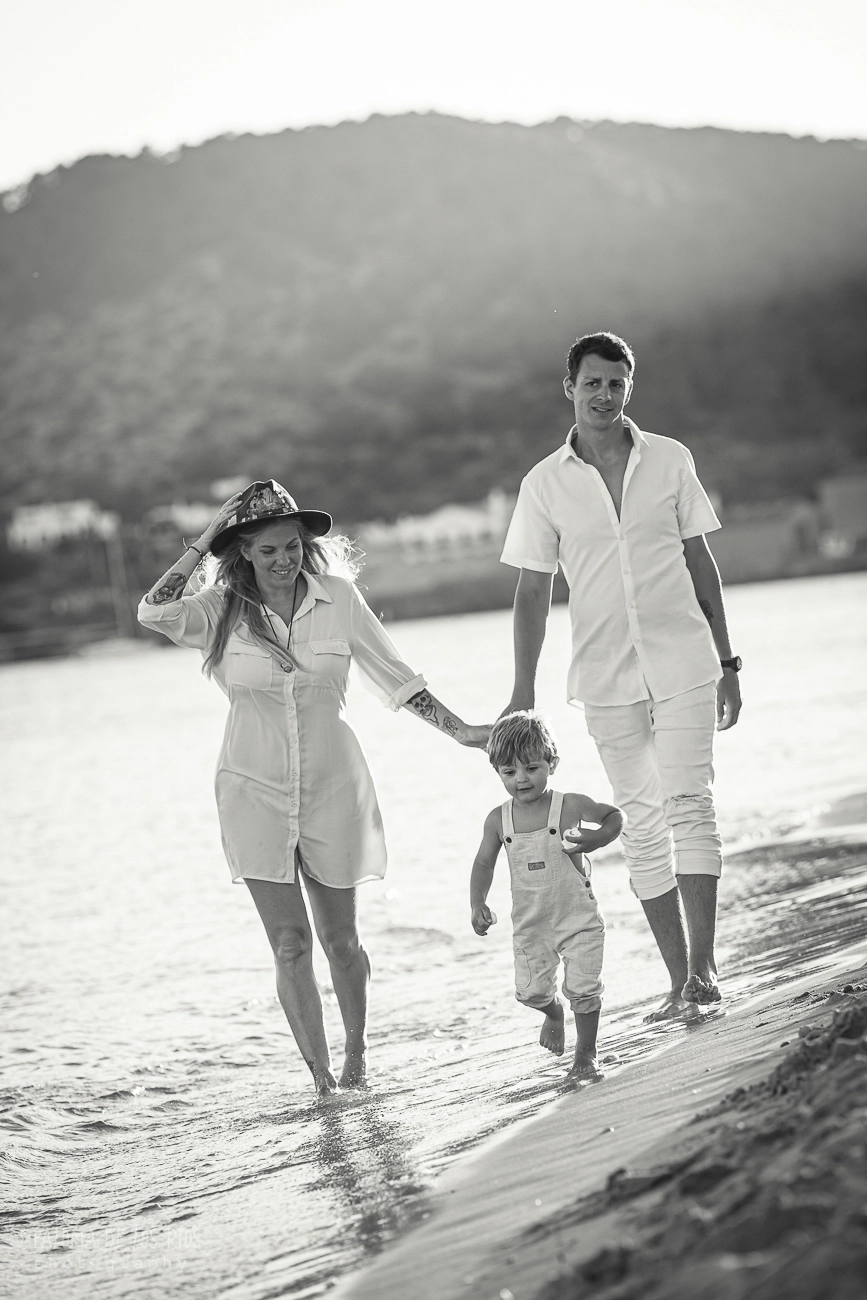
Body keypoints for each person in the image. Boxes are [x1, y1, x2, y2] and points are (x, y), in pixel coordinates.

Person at [138, 479, 489, 1096]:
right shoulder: (219, 610)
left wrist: (460, 731)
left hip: (332, 785)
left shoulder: (339, 599)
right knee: (290, 944)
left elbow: (397, 679)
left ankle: (356, 1057)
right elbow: (154, 611)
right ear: (243, 551)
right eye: (267, 549)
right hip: (252, 791)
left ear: (307, 544)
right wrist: (208, 535)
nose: (284, 559)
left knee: (341, 940)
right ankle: (323, 1084)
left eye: (292, 546)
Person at [500, 332, 742, 1022]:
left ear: (628, 388)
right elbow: (532, 590)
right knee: (639, 820)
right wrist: (522, 689)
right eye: (592, 383)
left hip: (684, 659)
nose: (603, 395)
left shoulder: (670, 459)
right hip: (604, 675)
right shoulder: (543, 484)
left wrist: (727, 661)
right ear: (569, 389)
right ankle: (678, 980)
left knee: (690, 802)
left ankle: (703, 971)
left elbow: (699, 561)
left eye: (615, 383)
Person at [470, 711, 624, 1082]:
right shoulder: (498, 820)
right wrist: (478, 903)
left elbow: (613, 816)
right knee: (530, 992)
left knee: (584, 990)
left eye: (532, 768)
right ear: (497, 772)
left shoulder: (569, 805)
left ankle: (586, 1054)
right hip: (531, 925)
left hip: (578, 917)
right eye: (510, 771)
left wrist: (596, 839)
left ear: (551, 763)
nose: (521, 779)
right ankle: (553, 1013)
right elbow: (484, 862)